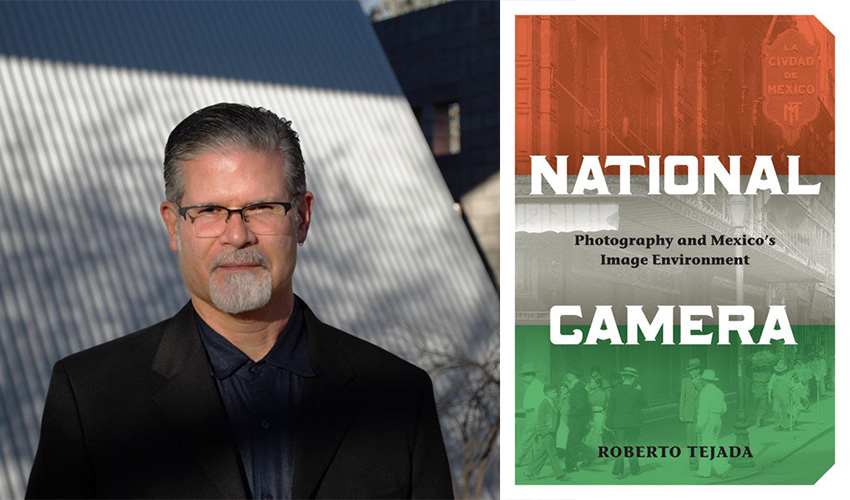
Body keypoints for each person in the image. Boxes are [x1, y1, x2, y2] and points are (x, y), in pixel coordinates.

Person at [26, 103, 453, 499]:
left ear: (301, 217)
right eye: (209, 210)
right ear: (173, 226)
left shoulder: (397, 398)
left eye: (262, 207)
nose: (237, 235)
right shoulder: (90, 398)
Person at [606, 367, 646, 479]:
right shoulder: (636, 391)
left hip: (618, 424)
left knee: (619, 447)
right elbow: (645, 404)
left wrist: (608, 423)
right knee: (632, 446)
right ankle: (634, 469)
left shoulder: (614, 391)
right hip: (633, 424)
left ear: (623, 378)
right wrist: (640, 390)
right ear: (633, 379)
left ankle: (619, 471)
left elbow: (610, 409)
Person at [525, 385, 568, 481]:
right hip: (546, 432)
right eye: (554, 392)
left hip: (551, 431)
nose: (556, 394)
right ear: (547, 393)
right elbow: (540, 420)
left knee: (543, 454)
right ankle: (560, 474)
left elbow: (557, 411)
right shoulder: (543, 404)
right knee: (553, 453)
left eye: (556, 392)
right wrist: (544, 432)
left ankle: (530, 471)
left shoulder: (552, 402)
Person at [695, 369, 730, 478]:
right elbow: (724, 408)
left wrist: (700, 424)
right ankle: (704, 471)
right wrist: (717, 414)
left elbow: (703, 410)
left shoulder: (705, 392)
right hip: (718, 418)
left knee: (708, 444)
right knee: (710, 443)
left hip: (709, 419)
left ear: (704, 380)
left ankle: (722, 465)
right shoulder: (719, 391)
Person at [517, 363, 545, 466]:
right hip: (529, 414)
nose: (523, 378)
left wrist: (538, 419)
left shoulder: (538, 386)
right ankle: (540, 460)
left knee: (526, 438)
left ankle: (517, 460)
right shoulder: (531, 386)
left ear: (531, 375)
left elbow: (540, 404)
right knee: (536, 440)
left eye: (525, 376)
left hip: (534, 415)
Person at [563, 371, 590, 472]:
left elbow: (581, 405)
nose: (567, 375)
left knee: (573, 443)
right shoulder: (577, 386)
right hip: (577, 419)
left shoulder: (578, 387)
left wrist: (572, 414)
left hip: (577, 420)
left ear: (574, 375)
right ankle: (571, 466)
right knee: (571, 444)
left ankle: (590, 453)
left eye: (569, 373)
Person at [679, 358, 703, 470]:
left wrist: (697, 383)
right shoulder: (685, 381)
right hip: (688, 414)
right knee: (690, 440)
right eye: (690, 371)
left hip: (699, 413)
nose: (691, 373)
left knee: (700, 439)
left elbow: (705, 392)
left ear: (698, 370)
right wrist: (681, 413)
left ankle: (701, 461)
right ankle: (692, 462)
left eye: (693, 370)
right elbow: (682, 398)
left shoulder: (703, 380)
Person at [768, 360, 792, 430]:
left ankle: (785, 425)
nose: (779, 372)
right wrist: (769, 397)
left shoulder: (787, 376)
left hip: (785, 396)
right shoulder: (774, 376)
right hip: (776, 396)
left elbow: (791, 385)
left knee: (785, 410)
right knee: (775, 410)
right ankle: (777, 424)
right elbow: (770, 386)